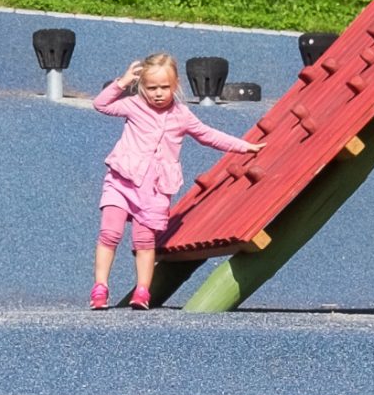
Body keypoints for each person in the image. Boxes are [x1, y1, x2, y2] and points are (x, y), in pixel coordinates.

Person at [90, 53, 263, 309]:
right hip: (122, 180)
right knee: (110, 233)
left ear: (176, 85)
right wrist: (122, 83)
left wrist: (243, 146)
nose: (158, 93)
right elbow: (101, 104)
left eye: (164, 87)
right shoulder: (133, 105)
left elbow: (207, 135)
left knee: (144, 241)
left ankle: (142, 291)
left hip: (155, 189)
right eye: (152, 88)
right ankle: (100, 287)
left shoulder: (181, 115)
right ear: (141, 86)